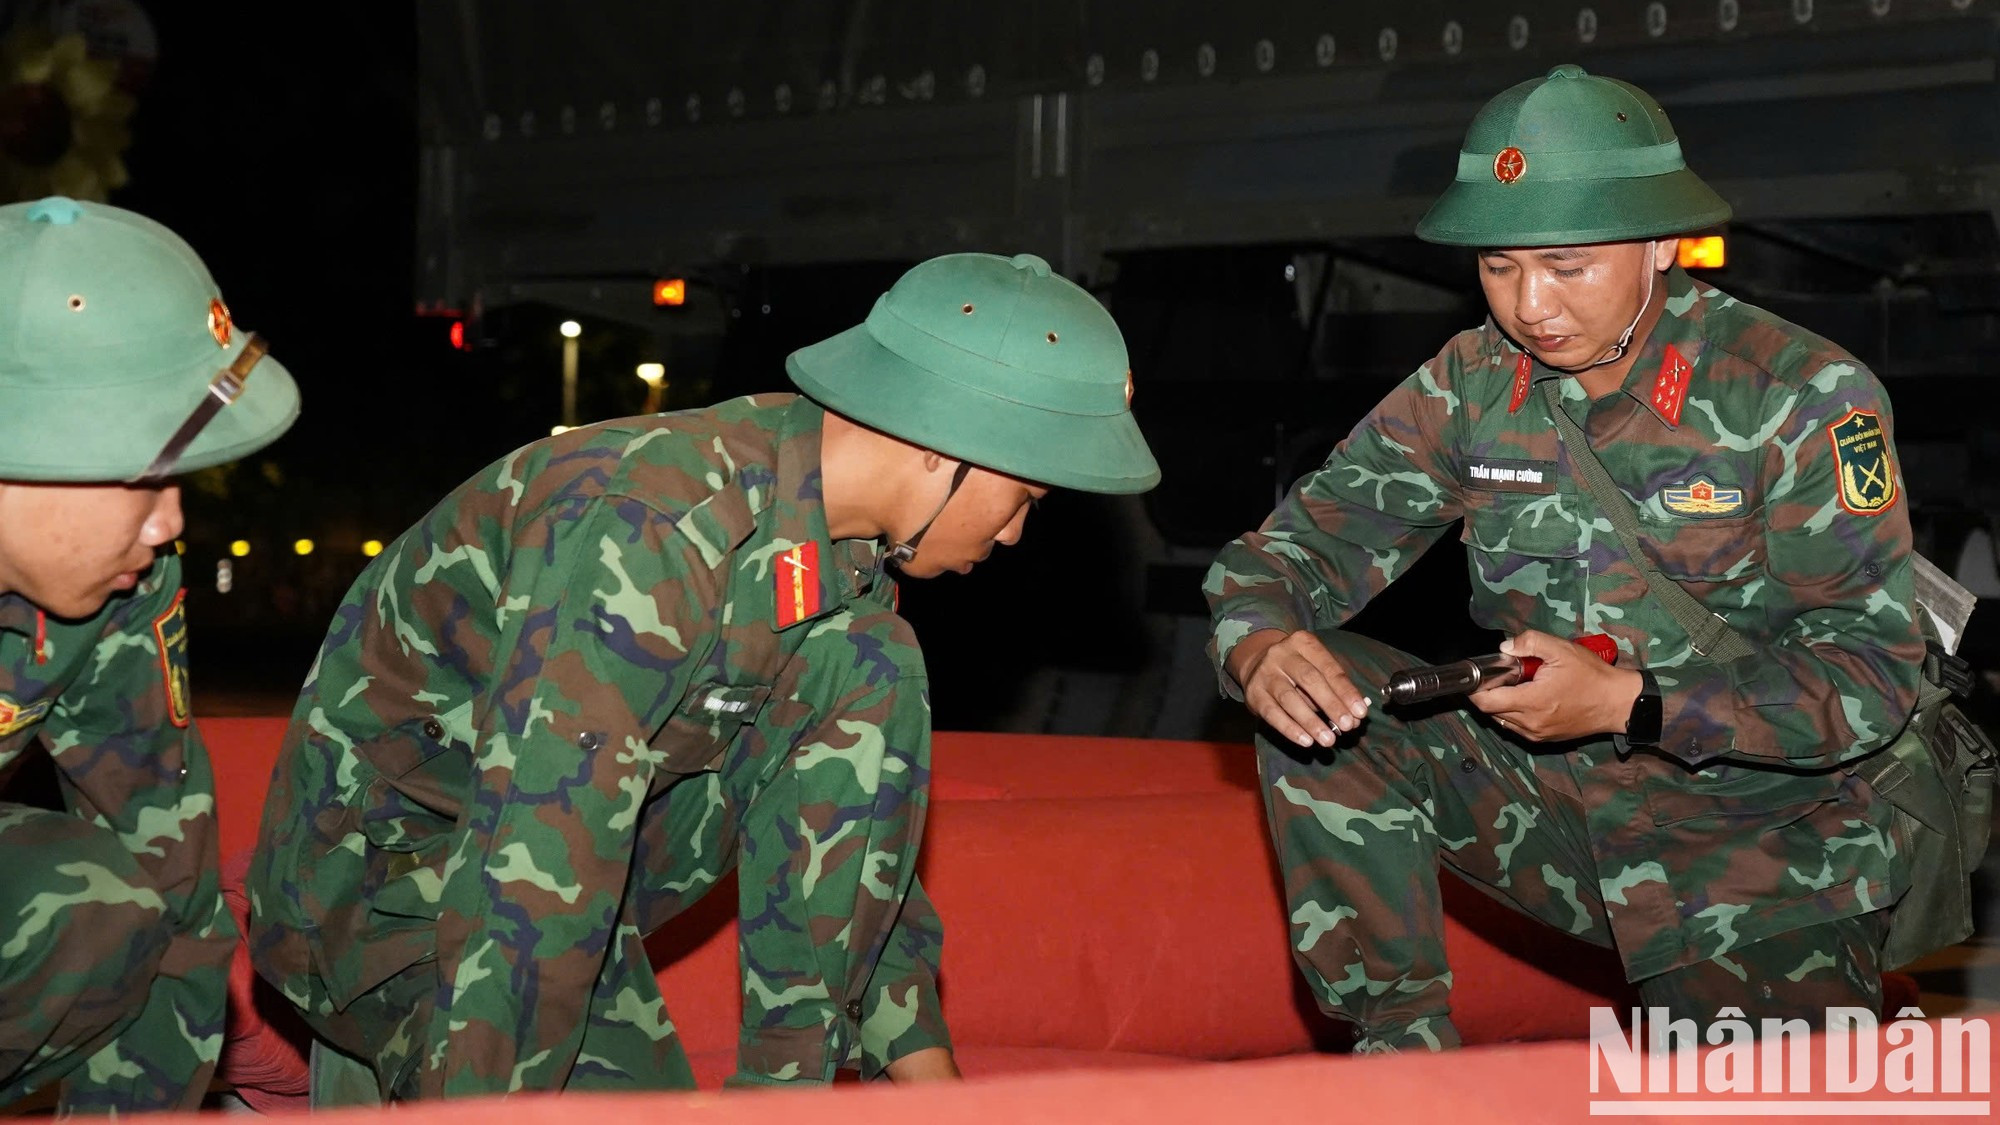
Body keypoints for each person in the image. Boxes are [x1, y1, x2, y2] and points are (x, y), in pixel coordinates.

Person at [248, 251, 1160, 1101]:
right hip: (385, 890)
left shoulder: (840, 562)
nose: (1012, 534)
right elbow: (534, 866)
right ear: (950, 447)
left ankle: (787, 1104)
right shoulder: (652, 526)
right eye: (1025, 499)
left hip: (570, 885)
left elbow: (855, 841)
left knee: (870, 662)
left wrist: (942, 1095)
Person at [1206, 64, 1927, 1051]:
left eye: (1565, 267)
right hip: (1552, 817)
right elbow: (1284, 556)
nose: (1530, 306)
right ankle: (1398, 1064)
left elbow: (1873, 675)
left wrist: (1630, 702)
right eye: (1497, 269)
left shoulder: (1800, 396)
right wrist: (1255, 641)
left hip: (1760, 857)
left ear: (1661, 244)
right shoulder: (1470, 383)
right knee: (1334, 708)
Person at [0, 196, 300, 1110]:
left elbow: (176, 892)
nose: (170, 521)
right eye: (146, 475)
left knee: (101, 904)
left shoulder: (116, 586)